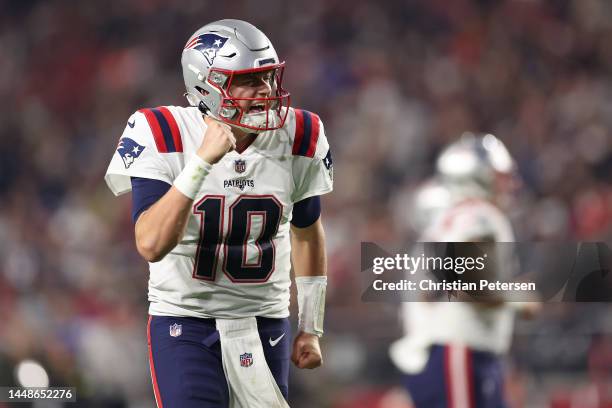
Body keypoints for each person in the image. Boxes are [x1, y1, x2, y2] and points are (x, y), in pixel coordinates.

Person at [105, 19, 333, 408]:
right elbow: (150, 243)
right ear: (205, 86)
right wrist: (201, 162)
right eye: (249, 81)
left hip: (265, 322)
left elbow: (308, 230)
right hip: (186, 321)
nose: (266, 92)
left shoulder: (301, 133)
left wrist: (310, 327)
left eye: (269, 78)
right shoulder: (161, 131)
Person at [390, 133, 539, 408]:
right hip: (458, 350)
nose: (511, 183)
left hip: (442, 352)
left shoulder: (447, 222)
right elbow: (468, 282)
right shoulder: (479, 215)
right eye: (502, 175)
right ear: (478, 176)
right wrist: (518, 297)